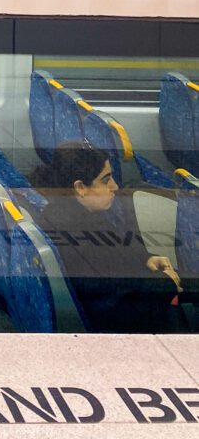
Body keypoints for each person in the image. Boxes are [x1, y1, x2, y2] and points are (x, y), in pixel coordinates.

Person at [32, 142, 192, 332]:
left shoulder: (66, 211)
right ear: (80, 187)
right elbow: (113, 283)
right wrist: (166, 282)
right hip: (116, 320)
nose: (115, 186)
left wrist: (147, 257)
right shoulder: (78, 229)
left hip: (114, 301)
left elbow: (119, 251)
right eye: (106, 179)